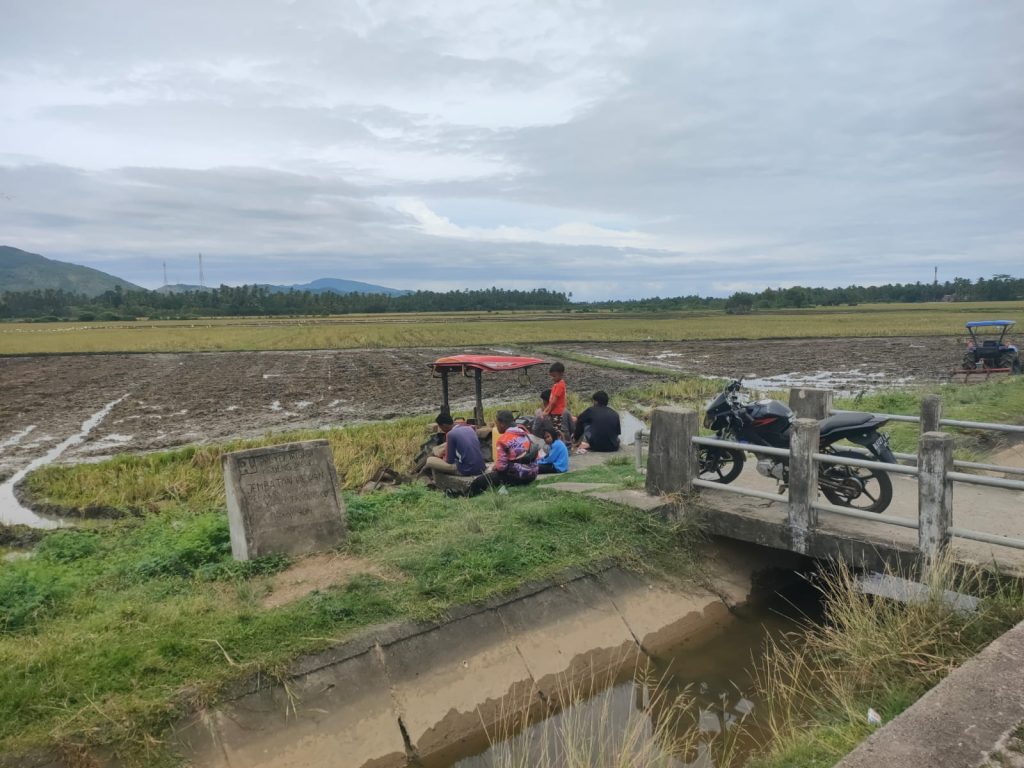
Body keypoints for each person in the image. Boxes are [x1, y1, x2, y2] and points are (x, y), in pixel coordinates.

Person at [466, 410, 539, 496]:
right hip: (533, 474)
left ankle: (467, 496)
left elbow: (501, 467)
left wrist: (494, 468)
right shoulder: (525, 434)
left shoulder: (503, 440)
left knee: (480, 481)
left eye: (496, 424)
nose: (496, 426)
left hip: (519, 476)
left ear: (502, 424)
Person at [424, 413, 486, 477]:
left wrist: (441, 456)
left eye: (440, 427)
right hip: (481, 467)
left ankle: (435, 481)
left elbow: (449, 461)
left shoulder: (450, 434)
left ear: (444, 425)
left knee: (430, 460)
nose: (441, 430)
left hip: (467, 469)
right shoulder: (469, 428)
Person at [542, 362, 567, 437]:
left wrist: (546, 411)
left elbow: (553, 401)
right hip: (554, 412)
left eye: (554, 376)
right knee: (556, 429)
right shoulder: (557, 384)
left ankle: (560, 443)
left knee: (557, 430)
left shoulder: (560, 385)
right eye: (552, 376)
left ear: (561, 374)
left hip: (557, 412)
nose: (553, 378)